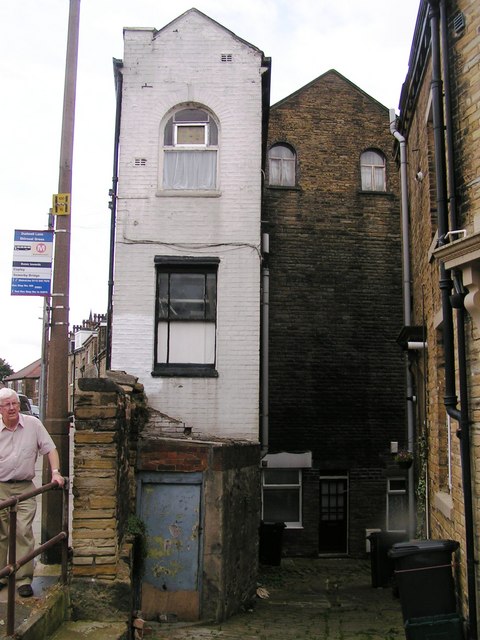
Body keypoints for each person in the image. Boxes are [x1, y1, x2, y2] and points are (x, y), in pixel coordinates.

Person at [0, 388, 65, 598]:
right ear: (0, 409)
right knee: (1, 534)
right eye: (7, 405)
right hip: (0, 486)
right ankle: (1, 575)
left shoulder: (33, 424)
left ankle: (24, 579)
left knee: (23, 531)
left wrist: (55, 472)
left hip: (25, 487)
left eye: (15, 404)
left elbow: (50, 449)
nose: (12, 408)